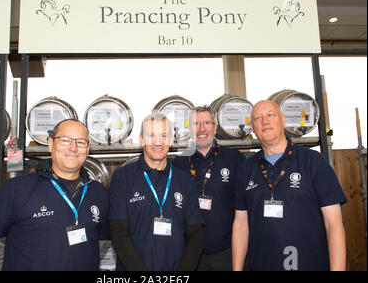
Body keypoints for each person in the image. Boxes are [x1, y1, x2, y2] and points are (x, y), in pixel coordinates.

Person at [0, 119, 109, 271]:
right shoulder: (16, 189)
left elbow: (100, 239)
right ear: (51, 144)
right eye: (65, 140)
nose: (73, 147)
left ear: (88, 148)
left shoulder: (98, 192)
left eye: (80, 142)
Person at [232, 100, 347, 271]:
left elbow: (334, 224)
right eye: (258, 117)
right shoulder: (245, 169)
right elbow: (241, 224)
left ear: (282, 119)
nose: (265, 121)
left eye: (270, 115)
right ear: (253, 127)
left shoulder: (314, 162)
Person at [109, 112, 203, 271]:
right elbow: (118, 235)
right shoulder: (122, 177)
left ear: (171, 140)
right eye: (151, 135)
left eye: (164, 135)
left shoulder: (185, 181)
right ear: (141, 139)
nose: (158, 142)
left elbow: (196, 236)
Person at [172, 105, 246, 271]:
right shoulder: (179, 163)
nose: (202, 129)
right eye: (196, 124)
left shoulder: (235, 159)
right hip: (191, 255)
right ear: (190, 129)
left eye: (206, 123)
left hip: (228, 252)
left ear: (215, 127)